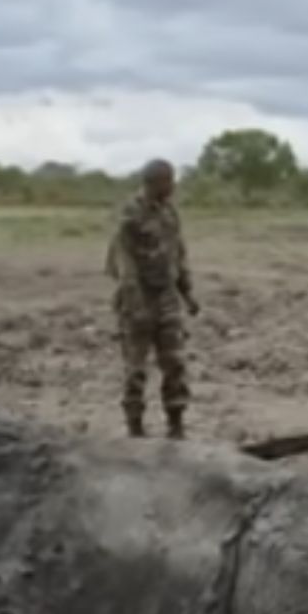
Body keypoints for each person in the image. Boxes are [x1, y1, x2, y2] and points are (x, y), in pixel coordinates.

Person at [105, 159, 199, 439]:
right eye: (168, 181)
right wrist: (135, 304)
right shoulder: (130, 215)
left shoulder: (170, 213)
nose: (173, 186)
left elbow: (177, 256)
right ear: (155, 182)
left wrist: (187, 293)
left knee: (175, 362)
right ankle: (135, 427)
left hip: (167, 297)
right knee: (135, 368)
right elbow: (124, 265)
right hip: (138, 299)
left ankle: (176, 423)